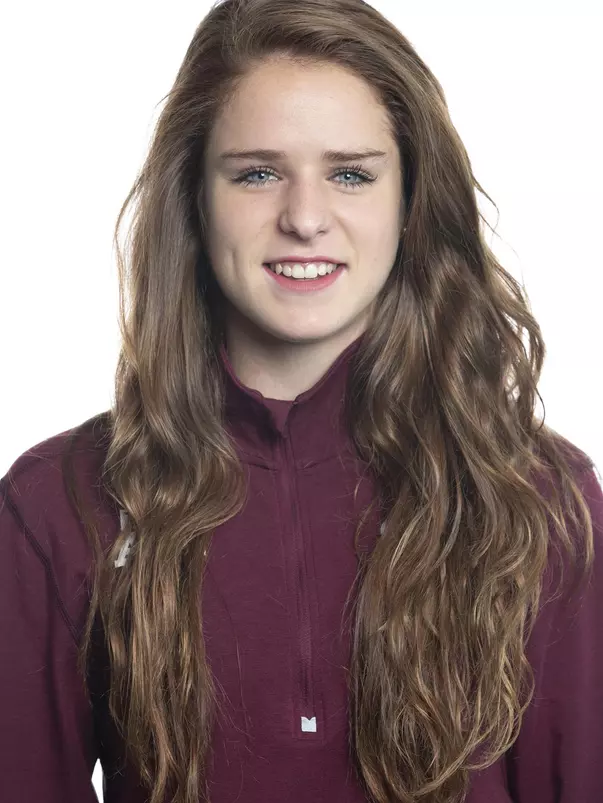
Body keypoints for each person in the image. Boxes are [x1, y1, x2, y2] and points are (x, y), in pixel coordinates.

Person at [1, 0, 601, 801]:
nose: (305, 218)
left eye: (350, 173)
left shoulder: (537, 498)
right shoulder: (59, 504)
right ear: (194, 197)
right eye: (257, 172)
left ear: (410, 201)